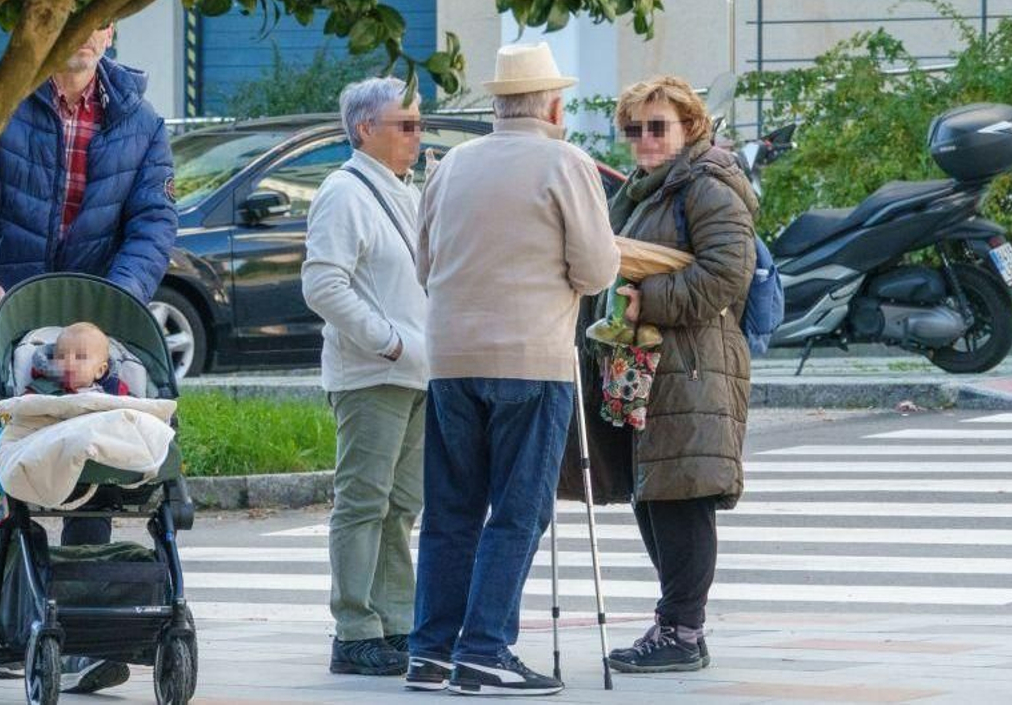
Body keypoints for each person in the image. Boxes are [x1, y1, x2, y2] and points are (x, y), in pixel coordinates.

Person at [0, 24, 176, 695]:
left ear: (110, 33)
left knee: (92, 451)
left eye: (96, 24)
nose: (82, 38)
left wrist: (119, 299)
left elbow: (151, 222)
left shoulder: (140, 122)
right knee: (13, 452)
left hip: (94, 314)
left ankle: (87, 627)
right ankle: (12, 613)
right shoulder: (3, 104)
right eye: (69, 23)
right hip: (10, 307)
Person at [408, 42, 619, 696]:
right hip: (531, 358)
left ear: (499, 103)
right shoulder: (566, 162)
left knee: (450, 510)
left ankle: (430, 653)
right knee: (519, 511)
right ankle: (486, 649)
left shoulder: (451, 165)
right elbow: (596, 268)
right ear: (552, 103)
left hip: (450, 357)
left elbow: (423, 264)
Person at [599, 76, 758, 673]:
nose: (643, 138)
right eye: (634, 128)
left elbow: (726, 276)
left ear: (690, 126)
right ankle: (677, 625)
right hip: (655, 366)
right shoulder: (650, 189)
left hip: (693, 365)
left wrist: (651, 301)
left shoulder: (707, 188)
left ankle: (682, 631)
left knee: (682, 494)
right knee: (654, 490)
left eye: (656, 126)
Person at [301, 77, 429, 677]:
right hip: (372, 374)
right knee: (363, 502)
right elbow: (323, 284)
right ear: (364, 130)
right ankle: (354, 628)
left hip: (415, 372)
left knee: (401, 504)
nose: (418, 134)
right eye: (405, 124)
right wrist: (388, 341)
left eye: (419, 122)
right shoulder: (343, 191)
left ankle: (393, 621)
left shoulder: (406, 189)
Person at [23, 322, 131, 396]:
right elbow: (14, 410)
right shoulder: (41, 389)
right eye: (61, 356)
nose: (69, 362)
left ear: (100, 371)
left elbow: (134, 411)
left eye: (80, 357)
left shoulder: (113, 392)